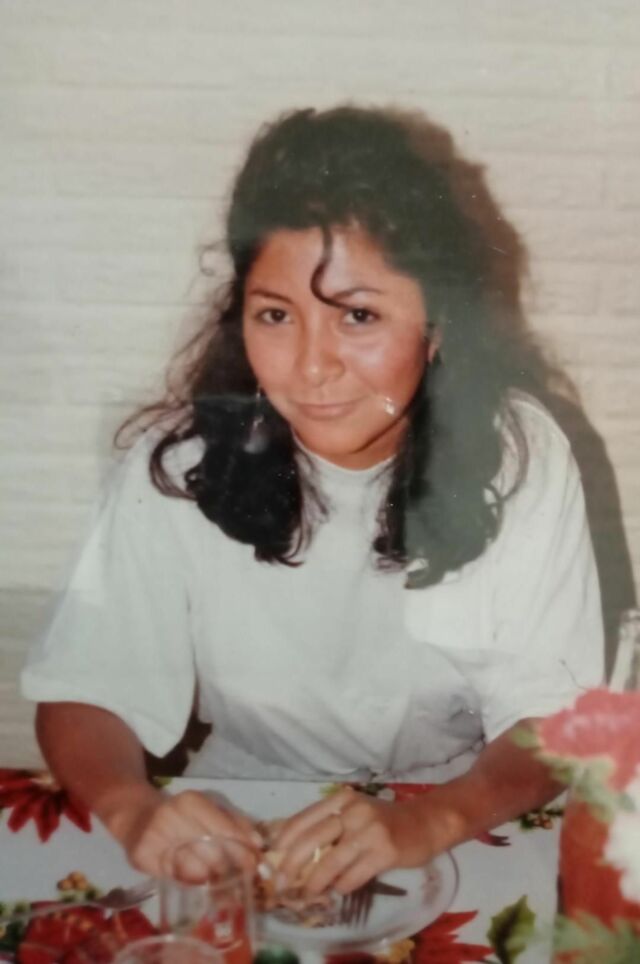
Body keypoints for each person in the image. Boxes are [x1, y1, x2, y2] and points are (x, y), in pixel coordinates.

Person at [22, 106, 604, 895]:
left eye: (358, 316)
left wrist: (429, 821)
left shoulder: (518, 453)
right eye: (275, 315)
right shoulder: (180, 462)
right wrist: (131, 808)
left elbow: (553, 717)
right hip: (243, 811)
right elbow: (85, 688)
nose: (310, 366)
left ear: (437, 328)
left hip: (457, 809)